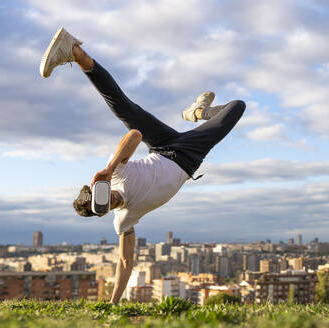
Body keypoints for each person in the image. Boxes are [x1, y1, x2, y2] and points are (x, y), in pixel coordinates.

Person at [39, 28, 246, 303]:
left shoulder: (114, 176)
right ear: (102, 213)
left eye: (101, 193)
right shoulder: (124, 220)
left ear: (96, 187)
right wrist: (113, 303)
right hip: (189, 156)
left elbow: (135, 134)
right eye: (103, 204)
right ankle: (199, 114)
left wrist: (109, 169)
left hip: (162, 146)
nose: (109, 198)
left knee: (124, 108)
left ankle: (74, 52)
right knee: (237, 106)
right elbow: (125, 262)